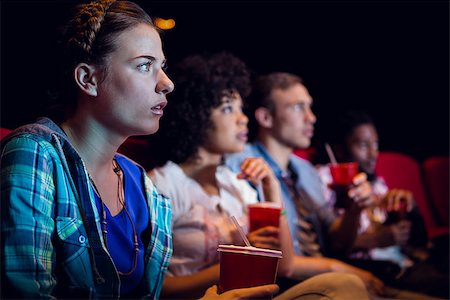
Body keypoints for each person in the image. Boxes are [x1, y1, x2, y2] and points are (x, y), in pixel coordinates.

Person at [0, 1, 278, 299]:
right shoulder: (35, 154)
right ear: (88, 79)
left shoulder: (141, 184)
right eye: (145, 65)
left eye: (162, 67)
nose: (167, 83)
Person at [147, 52, 371, 299]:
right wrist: (234, 264)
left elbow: (283, 265)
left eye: (241, 109)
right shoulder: (164, 184)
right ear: (196, 115)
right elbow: (155, 286)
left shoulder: (234, 182)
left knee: (345, 285)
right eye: (228, 108)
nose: (243, 119)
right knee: (343, 286)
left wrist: (271, 189)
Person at [225, 72, 438, 299]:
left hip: (332, 272)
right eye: (298, 107)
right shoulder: (244, 165)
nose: (311, 117)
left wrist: (355, 209)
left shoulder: (305, 170)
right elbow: (273, 259)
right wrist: (339, 268)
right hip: (290, 283)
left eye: (310, 107)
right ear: (266, 118)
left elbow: (336, 243)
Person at [316, 110, 449, 298]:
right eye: (363, 145)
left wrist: (408, 209)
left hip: (404, 260)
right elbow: (328, 243)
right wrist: (377, 239)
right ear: (339, 149)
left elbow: (410, 237)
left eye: (375, 144)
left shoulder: (376, 182)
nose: (373, 154)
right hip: (377, 270)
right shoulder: (325, 178)